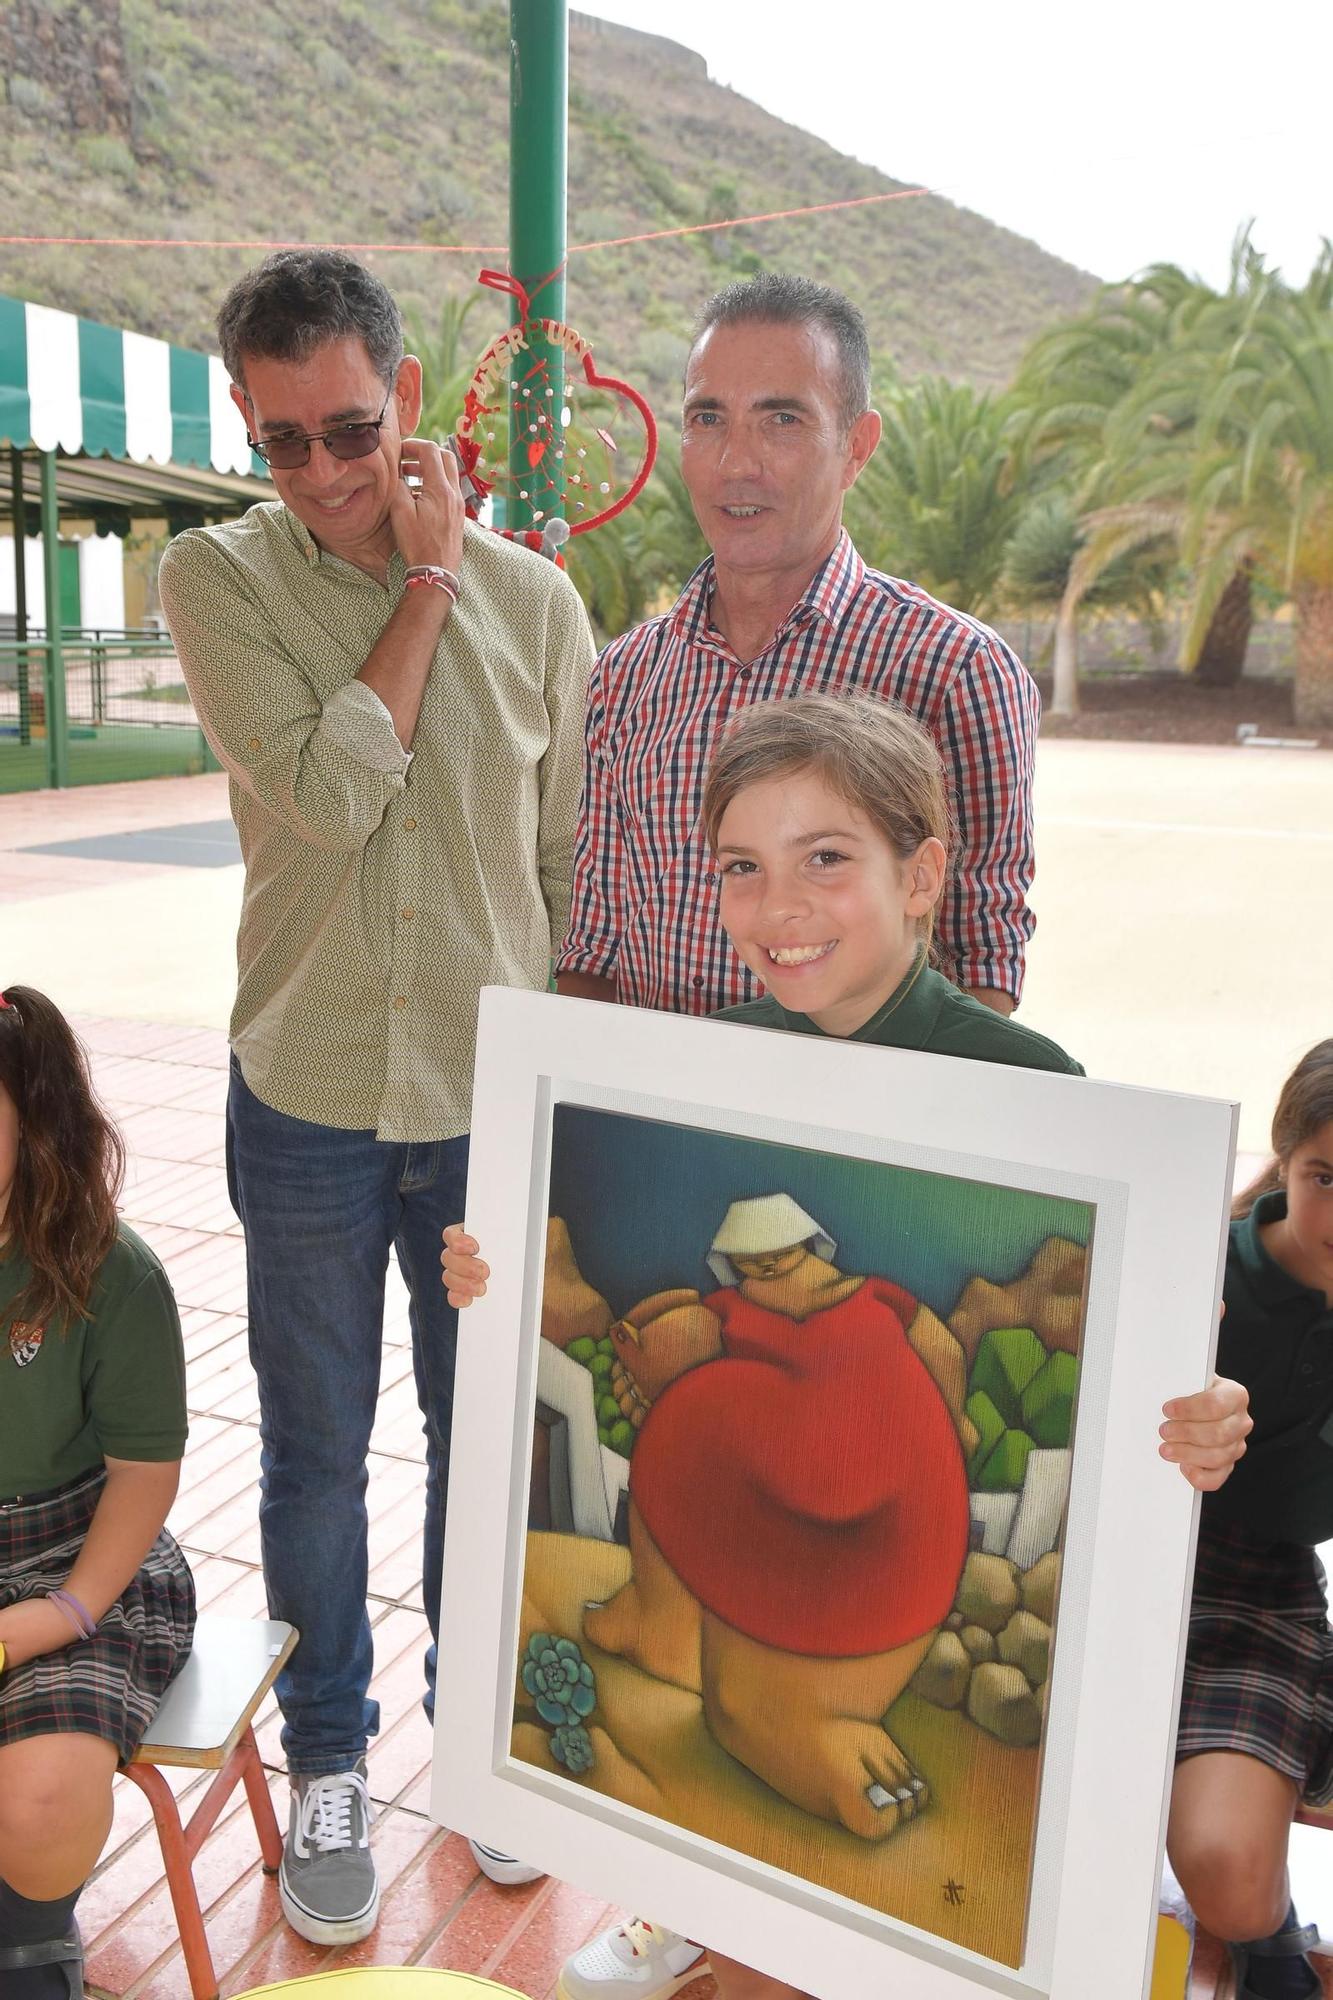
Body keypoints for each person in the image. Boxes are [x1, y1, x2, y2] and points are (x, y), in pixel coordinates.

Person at [444, 695, 1253, 2000]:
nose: (781, 908)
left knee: (773, 1759)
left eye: (827, 857)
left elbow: (1146, 1332)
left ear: (922, 873)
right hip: (770, 1521)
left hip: (868, 1544)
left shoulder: (1032, 1086)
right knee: (745, 1835)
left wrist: (1193, 1403)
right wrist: (495, 1276)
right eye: (741, 869)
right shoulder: (708, 1060)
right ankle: (699, 1894)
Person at [158, 249, 596, 1941]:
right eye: (284, 443)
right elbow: (339, 797)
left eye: (350, 427)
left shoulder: (544, 605)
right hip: (314, 1096)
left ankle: (481, 1752)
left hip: (491, 1105)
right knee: (315, 1454)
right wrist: (422, 591)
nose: (327, 474)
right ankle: (330, 1753)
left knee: (492, 1449)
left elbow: (553, 874)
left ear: (408, 401)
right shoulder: (218, 581)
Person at [556, 270, 1039, 1023]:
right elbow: (593, 945)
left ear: (857, 445)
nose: (734, 461)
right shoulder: (625, 675)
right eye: (707, 418)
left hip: (848, 1129)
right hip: (652, 1126)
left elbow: (982, 957)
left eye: (780, 419)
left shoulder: (954, 669)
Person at [0, 986, 195, 2000]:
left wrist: (60, 1612)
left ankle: (30, 1949)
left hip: (80, 1553)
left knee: (39, 1794)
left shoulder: (115, 1274)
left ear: (36, 1125)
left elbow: (143, 1475)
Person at [1167, 1041, 1333, 2000]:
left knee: (1229, 1878)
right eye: (1325, 1176)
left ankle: (1264, 1934)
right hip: (1113, 1559)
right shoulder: (1198, 1267)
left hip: (1262, 1585)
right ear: (1284, 1164)